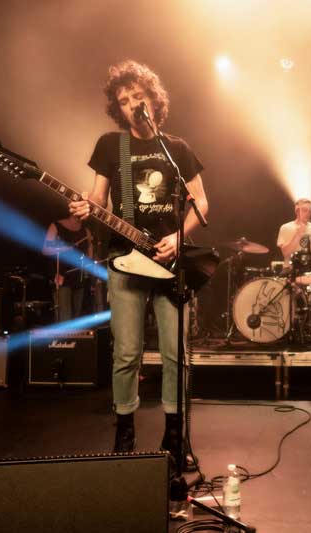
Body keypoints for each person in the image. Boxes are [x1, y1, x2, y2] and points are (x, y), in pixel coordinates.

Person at [69, 60, 209, 469]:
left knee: (174, 354)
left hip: (170, 263)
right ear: (118, 108)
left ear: (153, 99)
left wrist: (179, 238)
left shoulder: (178, 148)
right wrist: (83, 208)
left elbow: (201, 203)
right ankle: (124, 433)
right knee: (126, 352)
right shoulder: (110, 145)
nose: (131, 104)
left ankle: (174, 435)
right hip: (124, 259)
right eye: (124, 100)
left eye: (137, 96)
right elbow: (96, 201)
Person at [42, 215, 94, 321]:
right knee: (65, 315)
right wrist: (64, 248)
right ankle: (63, 337)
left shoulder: (86, 231)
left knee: (77, 316)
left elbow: (90, 256)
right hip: (61, 276)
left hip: (78, 277)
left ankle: (74, 337)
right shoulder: (56, 226)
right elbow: (45, 250)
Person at [277, 198, 311, 283]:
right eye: (305, 210)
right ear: (297, 211)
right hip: (290, 272)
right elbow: (285, 253)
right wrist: (298, 234)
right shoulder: (285, 228)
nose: (308, 214)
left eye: (309, 211)